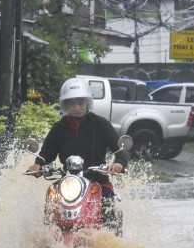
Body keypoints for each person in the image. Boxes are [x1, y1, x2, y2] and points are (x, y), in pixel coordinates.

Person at [27, 78, 129, 229]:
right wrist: (38, 165)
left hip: (97, 180)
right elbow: (46, 152)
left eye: (81, 103)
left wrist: (119, 163)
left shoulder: (100, 124)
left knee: (107, 203)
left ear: (87, 103)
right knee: (51, 197)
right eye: (72, 104)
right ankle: (47, 236)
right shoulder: (59, 128)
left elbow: (120, 148)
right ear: (66, 105)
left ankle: (108, 240)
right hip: (68, 182)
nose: (77, 107)